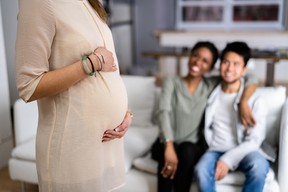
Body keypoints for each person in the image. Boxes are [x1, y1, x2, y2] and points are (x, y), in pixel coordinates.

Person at [15, 1, 132, 192]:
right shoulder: (38, 3)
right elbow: (28, 86)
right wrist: (92, 63)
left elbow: (110, 71)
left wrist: (124, 114)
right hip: (72, 150)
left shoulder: (89, 2)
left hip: (107, 146)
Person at [151, 41, 258, 192]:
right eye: (195, 56)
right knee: (167, 155)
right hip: (166, 142)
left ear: (211, 67)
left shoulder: (210, 85)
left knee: (187, 150)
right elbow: (163, 112)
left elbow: (251, 78)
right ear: (190, 57)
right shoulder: (172, 82)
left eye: (205, 61)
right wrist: (168, 146)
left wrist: (244, 101)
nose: (197, 62)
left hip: (191, 147)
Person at [194, 42, 275, 192]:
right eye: (226, 62)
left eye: (236, 64)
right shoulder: (211, 92)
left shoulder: (255, 100)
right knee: (201, 170)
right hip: (215, 148)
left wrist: (227, 160)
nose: (229, 68)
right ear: (220, 65)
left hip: (245, 150)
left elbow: (255, 140)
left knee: (259, 167)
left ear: (244, 70)